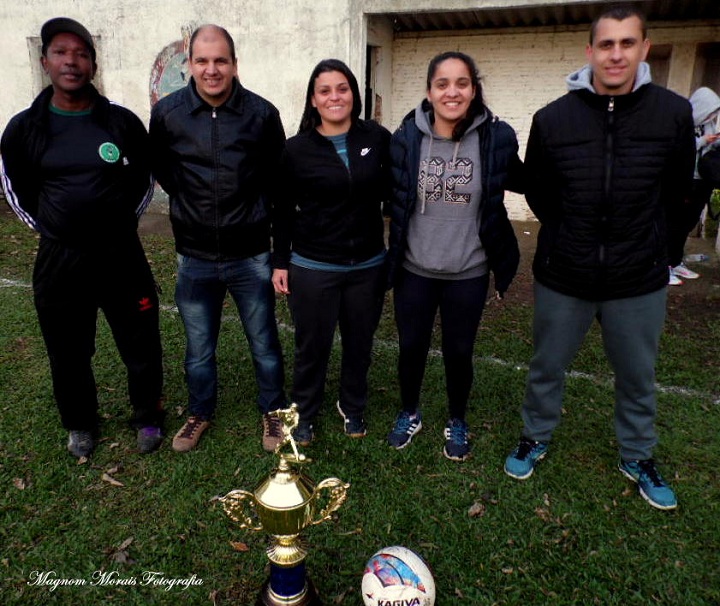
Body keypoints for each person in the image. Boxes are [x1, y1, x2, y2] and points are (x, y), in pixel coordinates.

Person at [503, 6, 695, 510]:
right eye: (606, 44)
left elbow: (678, 193)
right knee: (547, 365)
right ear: (590, 51)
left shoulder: (672, 114)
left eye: (626, 44)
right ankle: (535, 436)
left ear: (644, 49)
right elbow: (540, 192)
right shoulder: (552, 118)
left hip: (638, 277)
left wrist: (660, 249)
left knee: (637, 374)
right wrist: (568, 232)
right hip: (565, 273)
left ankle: (637, 454)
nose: (616, 54)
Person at [0, 17, 165, 458]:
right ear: (45, 61)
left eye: (81, 53)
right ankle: (80, 424)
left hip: (120, 255)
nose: (71, 61)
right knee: (68, 349)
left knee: (141, 341)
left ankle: (148, 416)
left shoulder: (120, 122)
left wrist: (116, 225)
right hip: (60, 260)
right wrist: (55, 229)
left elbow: (143, 179)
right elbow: (16, 188)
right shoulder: (24, 128)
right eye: (61, 52)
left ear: (93, 63)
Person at [149, 24, 286, 453]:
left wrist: (256, 218)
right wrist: (192, 208)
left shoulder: (261, 114)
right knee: (198, 349)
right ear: (189, 64)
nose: (212, 70)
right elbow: (166, 172)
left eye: (220, 60)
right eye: (203, 61)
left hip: (250, 255)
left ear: (234, 64)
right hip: (195, 256)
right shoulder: (168, 113)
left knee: (264, 343)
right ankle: (199, 413)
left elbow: (276, 182)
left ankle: (273, 410)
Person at [386, 51, 523, 461]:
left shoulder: (496, 138)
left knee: (459, 352)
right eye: (442, 83)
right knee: (411, 346)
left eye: (461, 83)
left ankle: (457, 418)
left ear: (474, 89)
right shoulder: (406, 139)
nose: (452, 91)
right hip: (415, 268)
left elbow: (524, 179)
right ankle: (409, 411)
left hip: (469, 270)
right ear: (429, 91)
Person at [272, 59, 391, 445]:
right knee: (312, 346)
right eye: (325, 90)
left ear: (354, 94)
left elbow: (395, 194)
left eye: (342, 88)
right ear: (313, 99)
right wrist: (280, 261)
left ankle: (351, 405)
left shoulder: (378, 137)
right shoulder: (295, 150)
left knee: (360, 343)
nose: (334, 96)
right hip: (313, 266)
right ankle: (305, 412)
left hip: (368, 266)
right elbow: (282, 210)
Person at [666, 86, 720, 285]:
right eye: (710, 111)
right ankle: (664, 267)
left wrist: (713, 142)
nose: (712, 116)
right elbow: (678, 150)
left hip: (702, 181)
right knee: (673, 225)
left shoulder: (708, 126)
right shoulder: (682, 124)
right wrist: (703, 141)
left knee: (687, 224)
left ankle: (675, 261)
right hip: (684, 181)